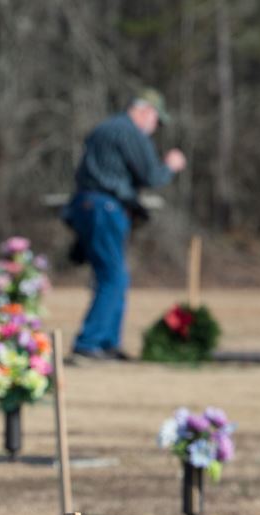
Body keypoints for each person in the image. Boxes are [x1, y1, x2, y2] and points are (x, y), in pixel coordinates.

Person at [64, 89, 186, 361]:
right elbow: (152, 176)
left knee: (114, 274)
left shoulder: (102, 130)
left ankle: (108, 341)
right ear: (145, 112)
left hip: (86, 204)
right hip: (107, 208)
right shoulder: (129, 132)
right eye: (156, 121)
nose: (154, 129)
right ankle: (89, 342)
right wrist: (170, 166)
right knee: (113, 276)